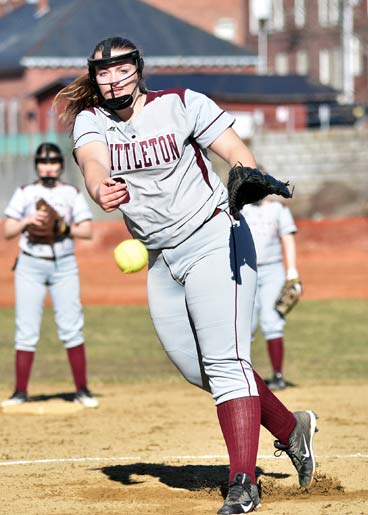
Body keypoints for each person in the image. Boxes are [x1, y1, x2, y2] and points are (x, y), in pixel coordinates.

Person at [54, 36, 317, 514]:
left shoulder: (181, 104)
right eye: (102, 72)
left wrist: (246, 173)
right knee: (201, 370)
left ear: (138, 69)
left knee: (224, 363)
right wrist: (98, 188)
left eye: (120, 69)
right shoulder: (91, 122)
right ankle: (291, 428)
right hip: (161, 257)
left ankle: (242, 484)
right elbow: (93, 163)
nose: (112, 80)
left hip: (215, 238)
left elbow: (238, 152)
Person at [2, 142, 99, 409]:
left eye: (54, 162)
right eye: (44, 162)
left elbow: (87, 230)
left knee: (71, 328)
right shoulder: (25, 193)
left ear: (60, 165)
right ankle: (20, 391)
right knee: (26, 330)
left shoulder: (71, 193)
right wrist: (27, 222)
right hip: (30, 265)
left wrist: (62, 226)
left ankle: (82, 390)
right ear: (37, 165)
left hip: (63, 265)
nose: (49, 167)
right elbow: (8, 229)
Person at [242, 198, 301, 390]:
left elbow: (288, 238)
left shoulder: (278, 209)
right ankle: (242, 377)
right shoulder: (239, 207)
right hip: (244, 267)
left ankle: (277, 376)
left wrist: (292, 270)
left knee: (272, 320)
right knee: (245, 324)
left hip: (272, 268)